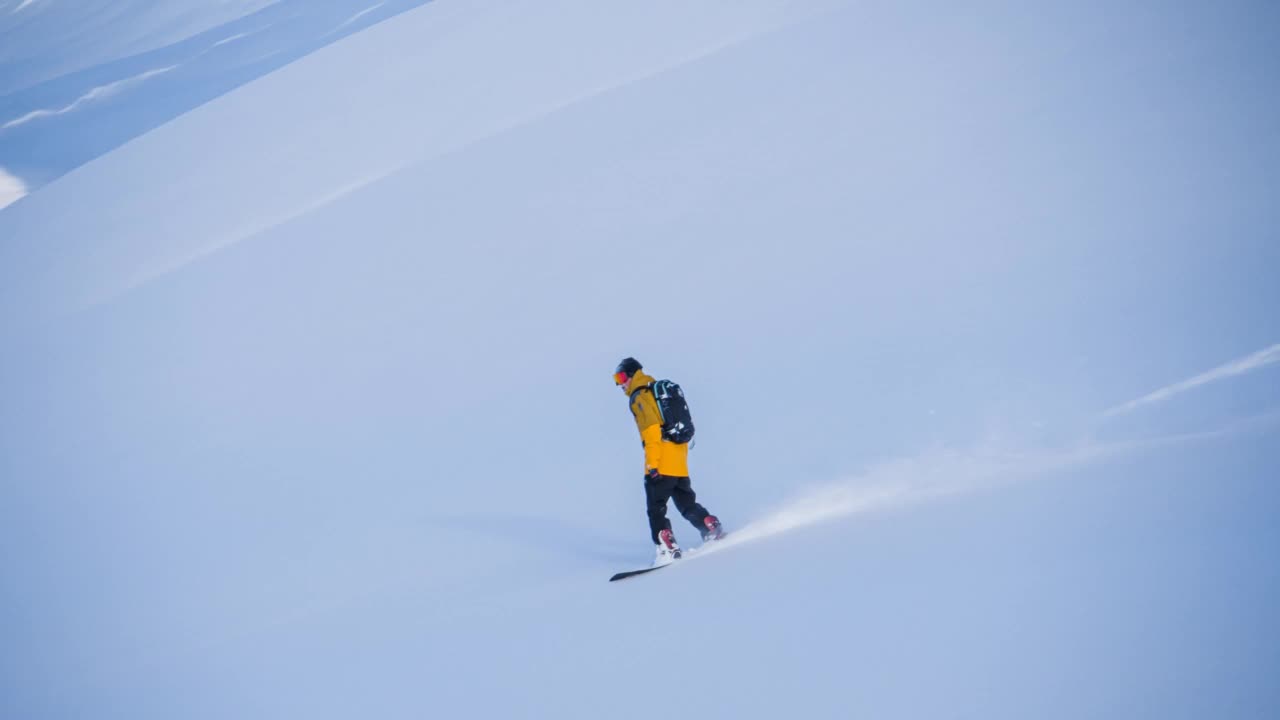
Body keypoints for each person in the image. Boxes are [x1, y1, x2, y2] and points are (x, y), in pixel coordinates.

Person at [613, 357, 723, 565]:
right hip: (679, 463)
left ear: (632, 374)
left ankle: (666, 548)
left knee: (656, 508)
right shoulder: (657, 392)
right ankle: (709, 526)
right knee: (687, 504)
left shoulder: (640, 396)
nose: (620, 384)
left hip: (661, 462)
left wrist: (652, 465)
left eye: (621, 377)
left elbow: (652, 431)